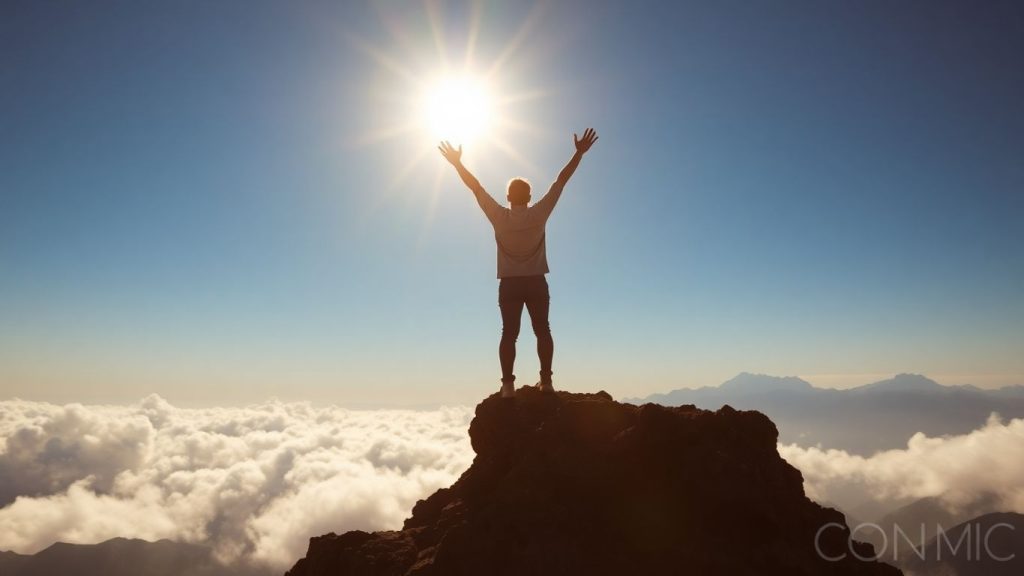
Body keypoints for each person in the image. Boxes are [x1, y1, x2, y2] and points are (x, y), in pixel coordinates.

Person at [438, 128, 599, 398]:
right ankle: (546, 382)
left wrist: (457, 164)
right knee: (542, 331)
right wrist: (578, 153)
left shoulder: (499, 216)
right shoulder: (539, 214)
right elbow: (561, 181)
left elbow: (475, 187)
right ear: (530, 196)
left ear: (509, 197)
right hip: (536, 281)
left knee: (509, 334)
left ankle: (508, 386)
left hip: (509, 285)